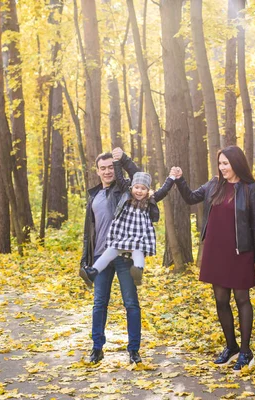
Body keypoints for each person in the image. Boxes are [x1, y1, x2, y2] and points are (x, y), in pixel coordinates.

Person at [173, 145, 255, 371]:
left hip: (241, 252)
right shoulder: (214, 185)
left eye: (226, 163)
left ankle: (246, 351)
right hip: (216, 251)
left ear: (237, 163)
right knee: (221, 300)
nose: (222, 167)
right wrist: (179, 179)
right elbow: (190, 198)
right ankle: (231, 347)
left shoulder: (250, 188)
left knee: (242, 299)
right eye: (220, 163)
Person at [79, 147, 144, 365]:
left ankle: (134, 350)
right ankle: (97, 348)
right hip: (100, 258)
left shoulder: (124, 190)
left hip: (124, 256)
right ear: (97, 171)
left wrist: (123, 159)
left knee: (131, 304)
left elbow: (138, 176)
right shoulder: (93, 196)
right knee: (99, 304)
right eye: (103, 168)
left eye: (110, 167)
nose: (107, 171)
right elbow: (89, 232)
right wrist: (84, 260)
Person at [80, 155, 176, 287]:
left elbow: (164, 190)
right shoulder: (126, 196)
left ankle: (138, 271)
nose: (139, 191)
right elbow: (119, 178)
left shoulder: (149, 201)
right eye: (137, 187)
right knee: (109, 252)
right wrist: (116, 162)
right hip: (122, 236)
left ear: (148, 191)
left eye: (143, 189)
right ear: (132, 188)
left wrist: (172, 178)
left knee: (138, 252)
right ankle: (93, 272)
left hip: (138, 237)